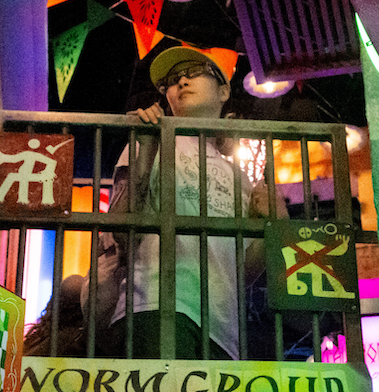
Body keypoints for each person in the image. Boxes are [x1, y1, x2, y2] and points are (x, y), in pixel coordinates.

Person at [89, 46, 273, 360]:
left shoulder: (239, 176)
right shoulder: (150, 140)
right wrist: (145, 146)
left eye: (195, 71)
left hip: (223, 327)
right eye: (173, 80)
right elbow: (121, 228)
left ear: (224, 90)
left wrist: (269, 223)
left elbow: (243, 268)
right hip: (156, 305)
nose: (182, 81)